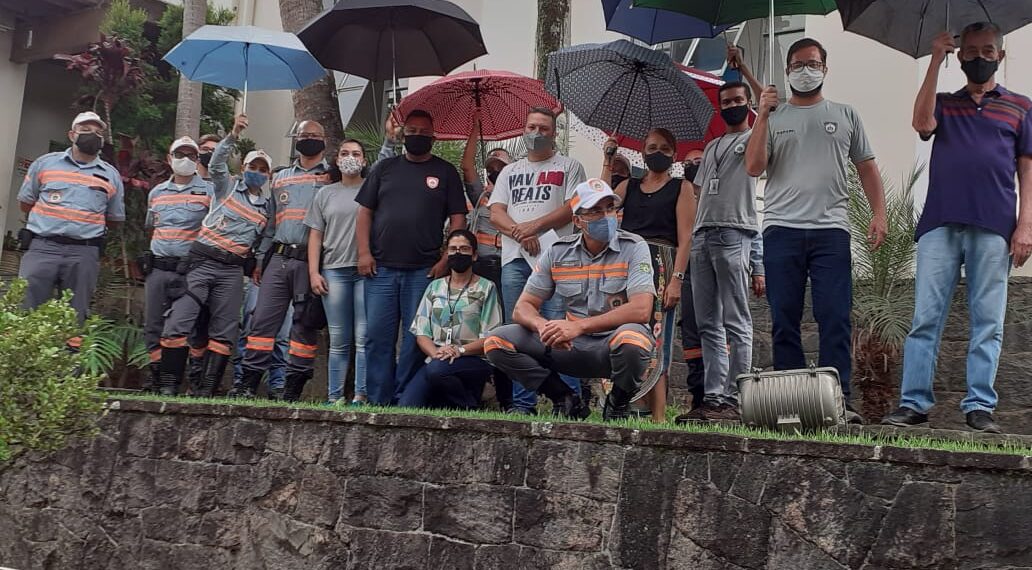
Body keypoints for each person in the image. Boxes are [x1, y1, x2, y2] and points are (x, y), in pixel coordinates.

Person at [882, 23, 1032, 434]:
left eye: (987, 51)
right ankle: (914, 403)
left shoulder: (1020, 106)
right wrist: (934, 59)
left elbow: (1027, 169)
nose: (978, 58)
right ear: (960, 55)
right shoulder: (945, 103)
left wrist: (1026, 225)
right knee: (925, 318)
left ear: (1000, 56)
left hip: (994, 225)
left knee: (988, 321)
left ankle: (980, 405)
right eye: (970, 51)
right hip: (940, 224)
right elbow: (921, 122)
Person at [744, 37, 888, 422]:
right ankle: (793, 401)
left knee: (835, 316)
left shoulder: (845, 114)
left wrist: (879, 213)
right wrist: (761, 113)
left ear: (825, 68)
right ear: (787, 70)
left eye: (813, 63)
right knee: (784, 318)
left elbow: (867, 167)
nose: (805, 70)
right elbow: (754, 167)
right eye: (797, 64)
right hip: (781, 230)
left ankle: (837, 400)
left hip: (831, 231)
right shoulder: (774, 117)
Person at [485, 179, 656, 420]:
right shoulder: (557, 251)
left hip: (611, 345)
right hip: (569, 347)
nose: (606, 216)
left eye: (610, 208)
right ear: (577, 221)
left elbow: (641, 310)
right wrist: (545, 327)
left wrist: (577, 326)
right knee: (496, 341)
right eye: (595, 210)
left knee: (634, 337)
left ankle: (618, 402)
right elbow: (522, 308)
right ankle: (564, 398)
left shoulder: (634, 246)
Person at [357, 109, 467, 405]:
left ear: (434, 136)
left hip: (424, 271)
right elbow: (364, 212)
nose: (417, 135)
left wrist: (446, 259)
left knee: (415, 341)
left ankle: (404, 398)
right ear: (403, 134)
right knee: (377, 338)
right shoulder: (384, 169)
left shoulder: (446, 172)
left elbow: (458, 219)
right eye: (412, 130)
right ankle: (379, 401)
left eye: (423, 131)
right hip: (380, 270)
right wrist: (364, 252)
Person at [157, 114, 273, 396]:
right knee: (180, 320)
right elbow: (218, 162)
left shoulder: (266, 207)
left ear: (268, 175)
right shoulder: (227, 186)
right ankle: (168, 387)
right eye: (252, 166)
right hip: (202, 263)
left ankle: (207, 390)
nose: (256, 171)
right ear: (243, 168)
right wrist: (232, 134)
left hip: (232, 271)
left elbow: (266, 237)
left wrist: (258, 261)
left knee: (224, 330)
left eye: (262, 168)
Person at [488, 107, 586, 415]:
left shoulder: (570, 166)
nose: (536, 133)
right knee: (519, 328)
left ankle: (572, 400)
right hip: (515, 259)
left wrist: (536, 227)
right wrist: (521, 233)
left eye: (543, 128)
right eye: (531, 126)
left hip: (559, 258)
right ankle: (523, 403)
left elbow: (573, 206)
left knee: (560, 328)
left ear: (554, 133)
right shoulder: (509, 171)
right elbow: (496, 212)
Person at [682, 80, 767, 422]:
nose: (731, 105)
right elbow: (701, 191)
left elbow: (758, 160)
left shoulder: (755, 139)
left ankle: (735, 395)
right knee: (708, 323)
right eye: (726, 101)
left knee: (736, 320)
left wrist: (758, 263)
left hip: (735, 232)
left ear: (748, 105)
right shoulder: (713, 145)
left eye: (738, 100)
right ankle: (713, 396)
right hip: (703, 235)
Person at [602, 128, 696, 422]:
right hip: (626, 263)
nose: (657, 152)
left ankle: (658, 416)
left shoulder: (682, 188)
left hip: (662, 264)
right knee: (621, 333)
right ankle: (622, 406)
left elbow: (686, 236)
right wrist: (607, 159)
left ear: (674, 154)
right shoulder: (628, 186)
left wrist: (677, 279)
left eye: (665, 148)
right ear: (641, 151)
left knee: (657, 339)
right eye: (652, 147)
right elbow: (598, 200)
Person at [235, 119, 330, 401]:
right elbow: (270, 225)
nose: (309, 138)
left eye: (314, 135)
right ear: (295, 139)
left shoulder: (331, 177)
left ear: (324, 141)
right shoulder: (280, 177)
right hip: (278, 258)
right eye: (303, 135)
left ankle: (292, 389)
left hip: (310, 262)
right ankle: (248, 384)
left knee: (303, 324)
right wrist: (260, 260)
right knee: (261, 322)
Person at [17, 111, 125, 348]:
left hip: (83, 253)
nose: (92, 135)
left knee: (76, 317)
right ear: (71, 134)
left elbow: (115, 219)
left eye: (98, 132)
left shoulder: (111, 175)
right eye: (85, 130)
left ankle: (68, 377)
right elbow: (26, 202)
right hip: (42, 247)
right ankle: (25, 372)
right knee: (27, 306)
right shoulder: (44, 164)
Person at [399, 229, 503, 409]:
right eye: (453, 249)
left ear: (474, 255)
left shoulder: (487, 288)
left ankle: (469, 406)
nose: (458, 253)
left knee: (438, 372)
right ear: (446, 254)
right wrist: (436, 354)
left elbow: (490, 337)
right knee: (407, 406)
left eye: (464, 249)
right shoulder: (435, 287)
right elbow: (421, 333)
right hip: (437, 357)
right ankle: (461, 401)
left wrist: (459, 350)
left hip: (471, 357)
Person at [141, 137, 213, 393]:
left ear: (197, 160)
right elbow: (152, 227)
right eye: (179, 154)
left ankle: (178, 382)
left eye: (191, 155)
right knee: (153, 327)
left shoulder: (208, 192)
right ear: (169, 159)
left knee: (183, 326)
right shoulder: (157, 193)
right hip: (159, 268)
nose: (185, 159)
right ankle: (156, 379)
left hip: (191, 271)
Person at [306, 139, 369, 405]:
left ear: (364, 161)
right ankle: (334, 397)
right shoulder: (325, 193)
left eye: (356, 154)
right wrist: (314, 272)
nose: (350, 157)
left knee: (364, 338)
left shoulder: (372, 189)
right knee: (339, 339)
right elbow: (315, 236)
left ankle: (361, 395)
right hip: (333, 271)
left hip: (366, 272)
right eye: (344, 153)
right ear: (336, 159)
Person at [460, 117, 515, 411]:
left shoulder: (517, 196)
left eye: (502, 163)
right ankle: (474, 395)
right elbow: (467, 166)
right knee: (476, 330)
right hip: (480, 268)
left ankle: (507, 398)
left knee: (503, 332)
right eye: (492, 162)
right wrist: (476, 127)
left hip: (506, 268)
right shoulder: (481, 194)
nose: (496, 166)